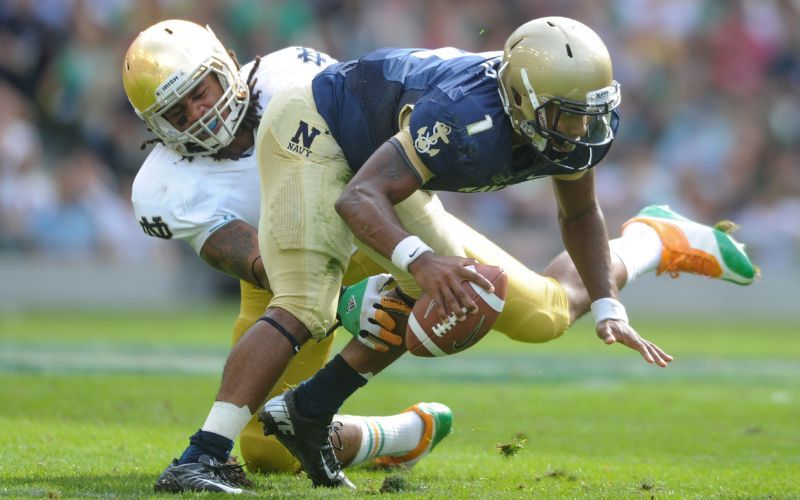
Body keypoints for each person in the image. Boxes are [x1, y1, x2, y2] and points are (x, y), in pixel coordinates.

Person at [251, 16, 757, 488]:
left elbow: (579, 214)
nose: (579, 131)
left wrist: (607, 303)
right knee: (263, 448)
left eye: (588, 114)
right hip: (335, 187)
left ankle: (653, 239)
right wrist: (384, 279)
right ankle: (364, 428)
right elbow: (327, 209)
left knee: (540, 315)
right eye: (565, 115)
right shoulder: (463, 113)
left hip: (387, 195)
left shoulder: (554, 122)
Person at [122, 20, 454, 493]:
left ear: (228, 67)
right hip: (285, 267)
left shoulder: (295, 74)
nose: (199, 113)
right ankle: (403, 434)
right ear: (156, 128)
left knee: (534, 313)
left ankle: (598, 274)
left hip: (380, 225)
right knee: (265, 450)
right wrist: (340, 299)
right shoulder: (163, 189)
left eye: (201, 91)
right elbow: (261, 264)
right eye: (177, 112)